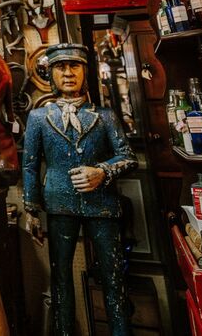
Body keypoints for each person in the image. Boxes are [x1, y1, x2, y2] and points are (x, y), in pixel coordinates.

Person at [22, 43, 137, 336]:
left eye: (75, 67)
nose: (68, 73)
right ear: (51, 75)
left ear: (85, 72)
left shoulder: (105, 116)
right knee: (61, 279)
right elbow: (31, 165)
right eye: (61, 67)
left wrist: (103, 171)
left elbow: (127, 157)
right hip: (59, 202)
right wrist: (31, 208)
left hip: (102, 203)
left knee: (114, 279)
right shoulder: (38, 118)